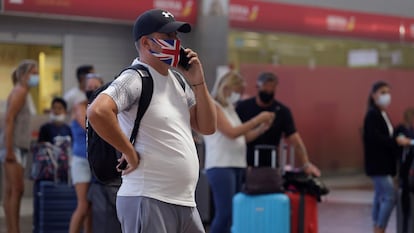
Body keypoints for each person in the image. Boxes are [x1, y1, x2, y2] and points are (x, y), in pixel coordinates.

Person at [87, 8, 216, 233]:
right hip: (148, 197)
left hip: (184, 201)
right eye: (169, 37)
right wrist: (128, 151)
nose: (177, 42)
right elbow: (98, 111)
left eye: (177, 37)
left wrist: (199, 81)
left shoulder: (177, 81)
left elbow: (207, 126)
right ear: (146, 43)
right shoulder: (135, 78)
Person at [204, 71, 274, 233]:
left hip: (237, 164)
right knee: (225, 213)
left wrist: (261, 128)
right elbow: (232, 132)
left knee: (234, 213)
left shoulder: (230, 108)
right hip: (221, 166)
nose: (239, 95)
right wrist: (257, 119)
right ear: (227, 87)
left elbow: (243, 137)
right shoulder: (214, 106)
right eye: (238, 91)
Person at [236, 72, 321, 176]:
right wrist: (258, 123)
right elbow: (238, 135)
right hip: (244, 162)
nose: (268, 90)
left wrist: (306, 164)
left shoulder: (281, 111)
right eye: (265, 87)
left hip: (271, 163)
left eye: (272, 87)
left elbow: (296, 140)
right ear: (258, 86)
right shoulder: (242, 107)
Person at [362, 81, 411, 233]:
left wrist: (400, 133)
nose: (386, 96)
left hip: (384, 165)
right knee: (390, 197)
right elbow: (376, 138)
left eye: (388, 92)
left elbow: (387, 135)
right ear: (373, 95)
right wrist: (396, 140)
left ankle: (376, 226)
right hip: (378, 165)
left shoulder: (383, 114)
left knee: (379, 197)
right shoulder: (372, 115)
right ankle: (380, 228)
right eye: (382, 92)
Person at [0, 59, 38, 233]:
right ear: (23, 75)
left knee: (11, 191)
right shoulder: (20, 91)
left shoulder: (24, 92)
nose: (36, 76)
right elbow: (8, 120)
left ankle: (11, 229)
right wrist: (9, 150)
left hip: (19, 147)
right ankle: (14, 229)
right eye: (33, 73)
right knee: (17, 189)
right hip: (13, 147)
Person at [68, 73, 103, 233]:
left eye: (96, 87)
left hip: (95, 161)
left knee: (91, 206)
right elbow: (89, 126)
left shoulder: (103, 106)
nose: (92, 90)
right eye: (89, 88)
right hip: (81, 161)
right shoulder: (80, 106)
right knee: (82, 205)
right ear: (84, 89)